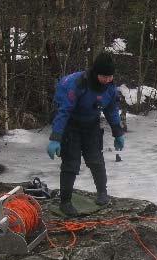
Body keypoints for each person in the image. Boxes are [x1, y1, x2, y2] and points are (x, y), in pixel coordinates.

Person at [47, 52, 125, 217]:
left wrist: (118, 133)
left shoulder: (110, 88)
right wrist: (55, 138)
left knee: (96, 160)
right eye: (104, 76)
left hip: (91, 126)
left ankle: (102, 193)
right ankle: (65, 202)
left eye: (110, 76)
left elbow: (111, 110)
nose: (107, 79)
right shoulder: (77, 84)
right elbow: (63, 111)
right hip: (71, 126)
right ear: (96, 73)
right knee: (71, 164)